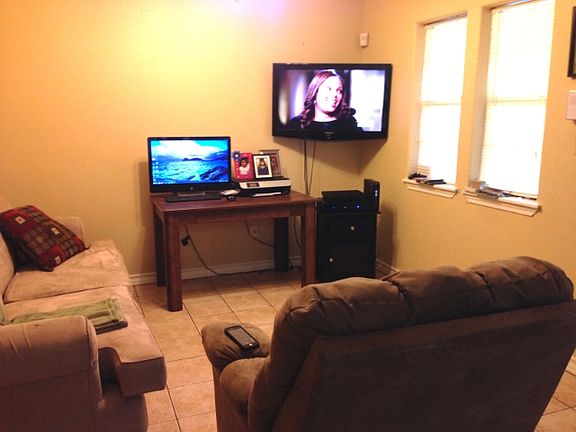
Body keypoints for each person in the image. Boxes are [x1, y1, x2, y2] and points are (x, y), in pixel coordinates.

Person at [287, 69, 362, 132]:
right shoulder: (296, 124)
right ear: (315, 92)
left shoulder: (349, 123)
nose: (335, 95)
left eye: (339, 91)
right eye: (329, 89)